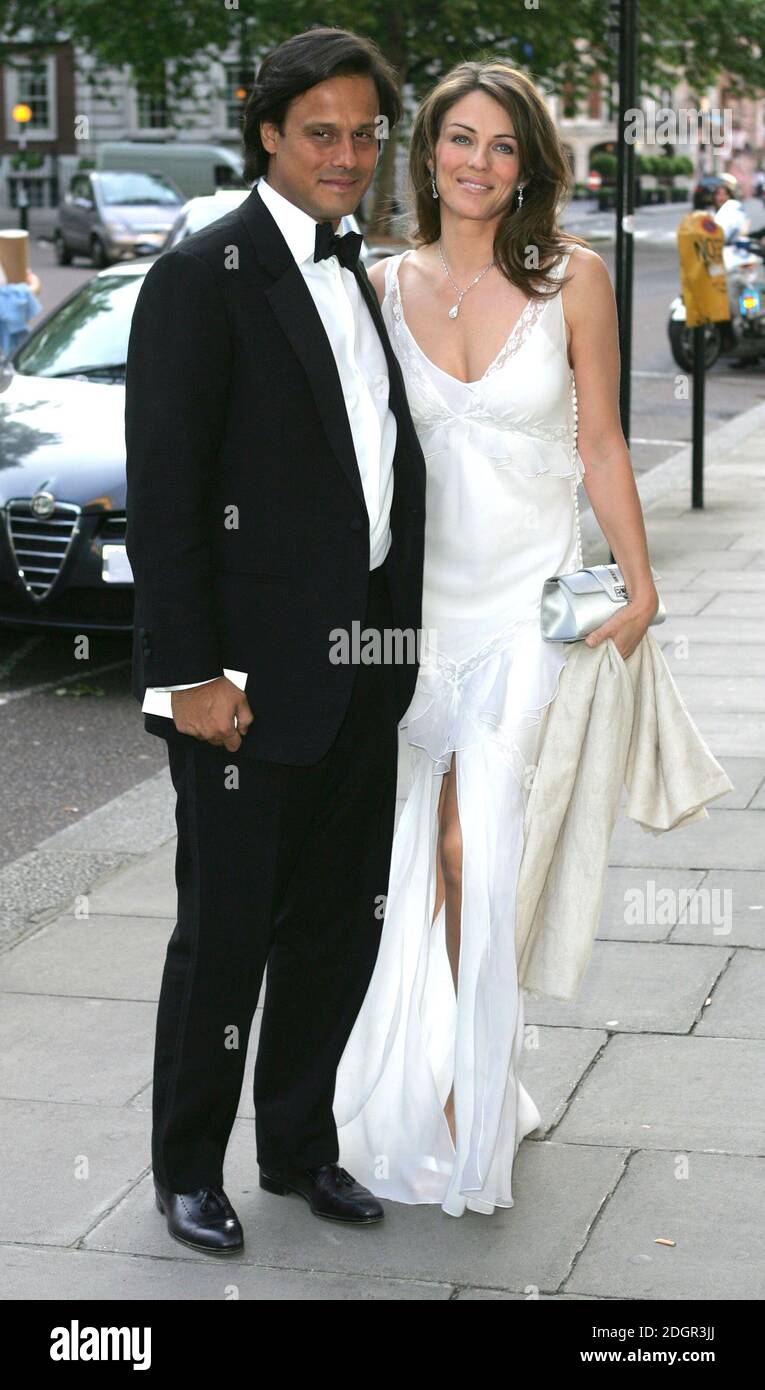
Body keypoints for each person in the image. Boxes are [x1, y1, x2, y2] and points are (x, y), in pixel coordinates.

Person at [333, 58, 661, 1216]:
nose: (479, 163)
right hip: (419, 623)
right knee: (419, 859)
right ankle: (433, 1073)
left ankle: (474, 1105)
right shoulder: (379, 285)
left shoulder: (573, 279)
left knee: (479, 853)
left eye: (503, 145)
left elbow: (603, 444)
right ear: (427, 154)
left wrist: (640, 577)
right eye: (460, 140)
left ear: (531, 163)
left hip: (530, 608)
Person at [124, 27, 426, 1254]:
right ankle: (187, 1167)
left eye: (364, 134)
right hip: (241, 689)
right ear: (267, 132)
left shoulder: (358, 269)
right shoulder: (204, 273)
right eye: (322, 133)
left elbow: (376, 471)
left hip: (360, 675)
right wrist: (191, 674)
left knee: (335, 924)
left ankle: (300, 1147)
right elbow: (168, 495)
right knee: (226, 934)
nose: (348, 154)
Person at [713, 173, 750, 243]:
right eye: (718, 194)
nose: (721, 197)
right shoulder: (710, 213)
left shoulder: (737, 210)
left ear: (730, 196)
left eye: (725, 194)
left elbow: (743, 231)